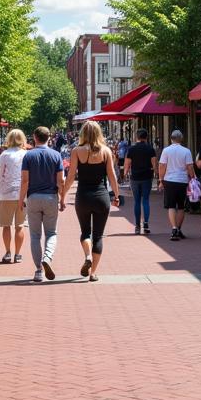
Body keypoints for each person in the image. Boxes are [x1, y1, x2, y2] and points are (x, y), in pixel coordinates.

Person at [61, 120, 120, 281]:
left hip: (83, 197)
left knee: (85, 232)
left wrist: (63, 196)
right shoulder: (106, 151)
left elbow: (71, 176)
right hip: (101, 197)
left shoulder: (76, 151)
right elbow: (112, 176)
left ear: (83, 134)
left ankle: (87, 255)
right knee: (98, 236)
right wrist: (116, 195)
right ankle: (93, 272)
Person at [17, 126, 66, 282]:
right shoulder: (56, 155)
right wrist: (62, 198)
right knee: (51, 233)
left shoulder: (28, 156)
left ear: (34, 137)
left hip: (33, 198)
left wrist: (21, 200)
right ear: (49, 137)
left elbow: (25, 180)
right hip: (51, 197)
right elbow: (61, 180)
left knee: (35, 235)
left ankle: (38, 270)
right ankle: (47, 258)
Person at [0, 128, 27, 263]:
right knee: (20, 225)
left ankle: (8, 252)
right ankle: (18, 254)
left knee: (6, 225)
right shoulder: (26, 154)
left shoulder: (4, 155)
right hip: (22, 194)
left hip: (6, 193)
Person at [158, 129, 195, 241]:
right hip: (182, 180)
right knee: (181, 206)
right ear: (181, 139)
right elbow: (190, 167)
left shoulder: (166, 150)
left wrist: (161, 180)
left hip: (169, 180)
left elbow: (162, 166)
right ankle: (178, 229)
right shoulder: (186, 151)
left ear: (171, 139)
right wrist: (192, 178)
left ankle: (174, 228)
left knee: (171, 206)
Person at [123, 128, 157, 234]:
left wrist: (125, 174)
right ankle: (146, 223)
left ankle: (137, 226)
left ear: (136, 137)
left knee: (137, 201)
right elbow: (154, 164)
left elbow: (127, 165)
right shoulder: (150, 149)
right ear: (146, 137)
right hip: (147, 177)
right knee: (146, 200)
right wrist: (155, 173)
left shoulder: (131, 149)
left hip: (135, 177)